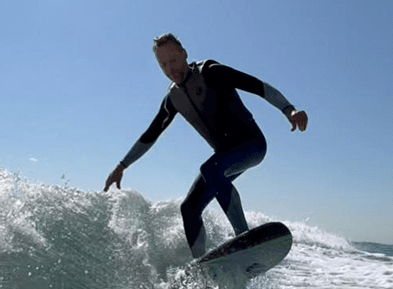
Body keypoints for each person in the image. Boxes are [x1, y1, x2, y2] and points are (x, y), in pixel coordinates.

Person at [103, 33, 308, 258]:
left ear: (184, 55)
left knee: (212, 170)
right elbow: (151, 134)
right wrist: (122, 165)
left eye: (173, 61)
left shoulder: (210, 72)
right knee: (189, 208)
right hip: (224, 157)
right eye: (163, 65)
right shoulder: (173, 98)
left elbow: (257, 86)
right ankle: (202, 266)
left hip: (252, 144)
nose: (169, 69)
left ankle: (245, 239)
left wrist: (289, 109)